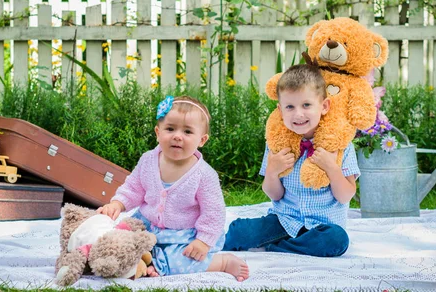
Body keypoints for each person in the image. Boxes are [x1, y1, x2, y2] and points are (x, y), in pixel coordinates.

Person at [98, 95, 249, 281]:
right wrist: (118, 204)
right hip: (146, 224)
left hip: (183, 235)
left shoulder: (204, 175)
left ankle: (221, 263)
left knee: (184, 259)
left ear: (202, 140)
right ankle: (145, 260)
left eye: (187, 132)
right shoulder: (148, 160)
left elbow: (214, 212)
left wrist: (203, 241)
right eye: (170, 129)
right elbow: (134, 187)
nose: (177, 136)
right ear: (157, 132)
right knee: (118, 240)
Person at [223, 64, 359, 257]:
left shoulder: (340, 145)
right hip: (284, 220)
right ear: (280, 110)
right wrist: (272, 171)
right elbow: (275, 195)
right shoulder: (277, 144)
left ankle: (277, 248)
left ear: (324, 106)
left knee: (337, 241)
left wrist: (331, 167)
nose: (298, 114)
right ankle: (289, 244)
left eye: (306, 105)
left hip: (324, 225)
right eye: (290, 107)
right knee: (239, 232)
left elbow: (345, 196)